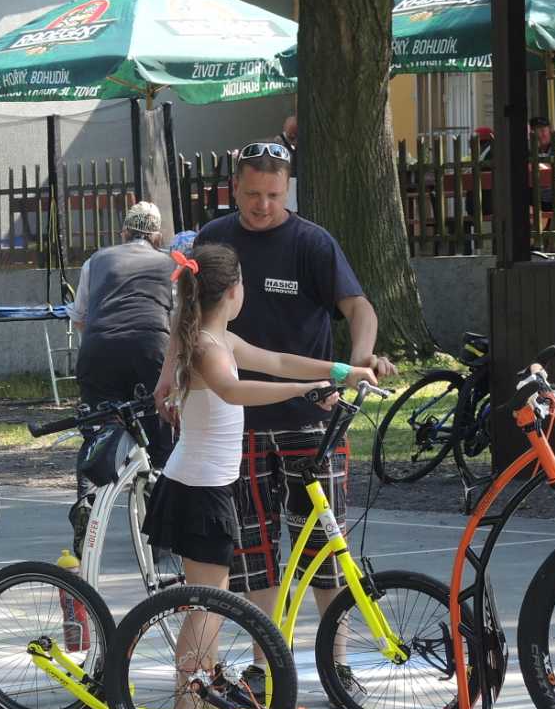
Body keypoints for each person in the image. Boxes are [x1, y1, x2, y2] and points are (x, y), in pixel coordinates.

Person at [164, 141, 397, 640]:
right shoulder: (216, 238)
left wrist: (353, 362)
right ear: (235, 187)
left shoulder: (312, 242)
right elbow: (186, 315)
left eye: (272, 194)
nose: (261, 205)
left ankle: (336, 661)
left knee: (325, 549)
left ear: (286, 188)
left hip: (310, 422)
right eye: (251, 193)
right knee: (254, 554)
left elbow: (360, 309)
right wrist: (169, 371)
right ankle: (264, 659)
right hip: (241, 428)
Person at [146, 242, 374, 709]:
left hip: (205, 486)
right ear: (234, 291)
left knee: (209, 603)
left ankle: (196, 701)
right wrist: (305, 392)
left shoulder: (216, 337)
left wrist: (340, 371)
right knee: (205, 608)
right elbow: (234, 390)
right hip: (198, 489)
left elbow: (275, 359)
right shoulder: (206, 346)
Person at [70, 200, 175, 467]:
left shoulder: (95, 261)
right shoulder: (170, 265)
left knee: (98, 431)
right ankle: (157, 486)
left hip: (99, 349)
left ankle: (90, 498)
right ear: (157, 236)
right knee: (158, 433)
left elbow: (80, 317)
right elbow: (176, 322)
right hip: (150, 348)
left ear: (124, 233)